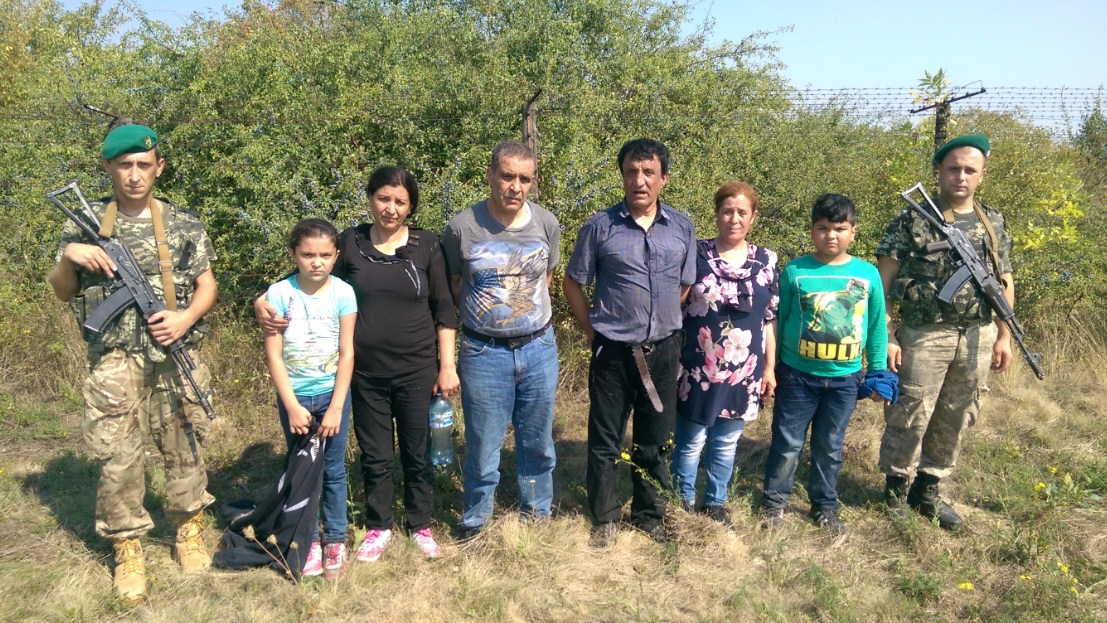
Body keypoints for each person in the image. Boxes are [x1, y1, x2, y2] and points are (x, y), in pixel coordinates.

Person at [47, 123, 217, 603]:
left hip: (173, 352)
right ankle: (128, 548)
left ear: (158, 167)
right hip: (116, 359)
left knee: (184, 442)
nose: (135, 174)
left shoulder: (183, 222)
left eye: (145, 165)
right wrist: (68, 255)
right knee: (118, 455)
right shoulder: (85, 226)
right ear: (109, 168)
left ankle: (188, 530)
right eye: (125, 165)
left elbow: (207, 284)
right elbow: (63, 291)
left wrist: (184, 319)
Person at [257, 166, 458, 560]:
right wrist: (260, 302)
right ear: (370, 199)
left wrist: (446, 365)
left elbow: (445, 308)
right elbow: (306, 277)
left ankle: (420, 524)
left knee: (418, 451)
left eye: (400, 201)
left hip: (418, 367)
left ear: (411, 205)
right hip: (363, 371)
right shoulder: (350, 243)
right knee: (376, 452)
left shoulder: (428, 245)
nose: (391, 208)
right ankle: (379, 525)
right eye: (384, 198)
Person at [876, 134, 1013, 531]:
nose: (961, 176)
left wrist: (1004, 335)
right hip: (923, 333)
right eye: (953, 168)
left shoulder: (993, 221)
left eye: (970, 170)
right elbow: (882, 281)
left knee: (958, 412)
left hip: (977, 334)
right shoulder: (913, 217)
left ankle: (929, 489)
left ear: (982, 176)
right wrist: (886, 334)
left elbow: (1004, 280)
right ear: (939, 172)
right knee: (911, 410)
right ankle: (895, 489)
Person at [564, 138, 696, 546]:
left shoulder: (682, 226)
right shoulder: (599, 226)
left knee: (654, 437)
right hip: (613, 354)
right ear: (622, 176)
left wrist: (658, 322)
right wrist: (593, 331)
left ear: (663, 179)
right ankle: (605, 516)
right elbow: (573, 282)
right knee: (605, 438)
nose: (639, 181)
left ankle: (649, 514)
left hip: (663, 350)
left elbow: (686, 282)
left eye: (648, 173)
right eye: (631, 172)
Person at [442, 141, 560, 538]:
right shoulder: (462, 227)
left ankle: (537, 512)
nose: (515, 186)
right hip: (483, 351)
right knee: (483, 443)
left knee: (537, 440)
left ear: (533, 182)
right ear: (491, 175)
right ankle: (476, 519)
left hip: (539, 348)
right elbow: (456, 286)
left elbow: (545, 280)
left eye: (525, 179)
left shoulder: (547, 223)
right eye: (507, 176)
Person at [760, 193, 889, 535]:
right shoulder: (795, 272)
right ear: (812, 230)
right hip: (797, 376)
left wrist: (877, 371)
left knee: (830, 446)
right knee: (787, 443)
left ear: (853, 232)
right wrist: (771, 367)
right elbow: (779, 319)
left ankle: (825, 506)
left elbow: (875, 325)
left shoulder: (867, 274)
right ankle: (774, 503)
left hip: (845, 379)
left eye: (839, 228)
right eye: (822, 228)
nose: (831, 235)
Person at [670, 181, 779, 529]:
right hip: (697, 368)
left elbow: (770, 319)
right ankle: (682, 500)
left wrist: (769, 369)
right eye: (727, 211)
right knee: (690, 441)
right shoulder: (696, 254)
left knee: (726, 441)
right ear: (716, 213)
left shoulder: (767, 260)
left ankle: (716, 502)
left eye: (742, 212)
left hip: (744, 370)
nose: (734, 219)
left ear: (753, 217)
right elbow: (676, 307)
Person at [263, 218, 356, 579]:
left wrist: (335, 406)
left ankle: (335, 539)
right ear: (293, 255)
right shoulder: (278, 293)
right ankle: (307, 539)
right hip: (296, 398)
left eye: (324, 255)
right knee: (301, 470)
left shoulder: (344, 293)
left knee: (333, 469)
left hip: (332, 397)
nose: (316, 262)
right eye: (307, 254)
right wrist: (291, 405)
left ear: (335, 257)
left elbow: (347, 352)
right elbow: (274, 355)